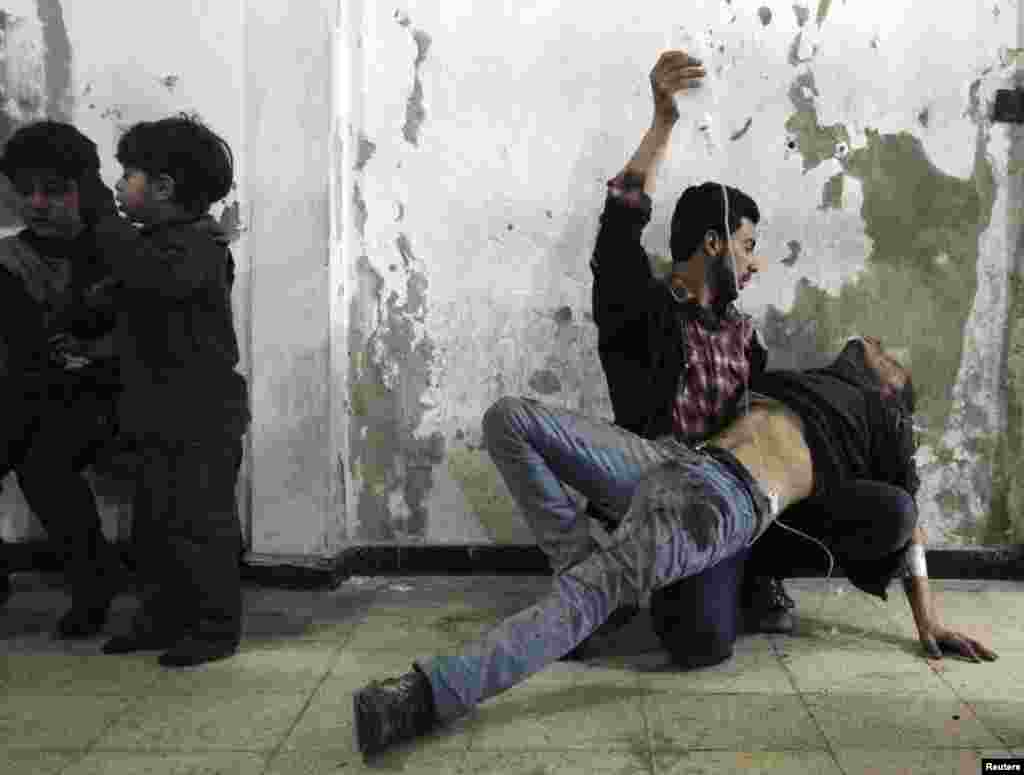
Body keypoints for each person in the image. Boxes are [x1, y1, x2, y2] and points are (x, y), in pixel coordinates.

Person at [351, 336, 997, 758]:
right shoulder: (803, 377)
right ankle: (585, 575)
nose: (877, 345)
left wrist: (929, 618)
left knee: (594, 593)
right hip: (671, 459)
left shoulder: (883, 424)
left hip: (723, 501)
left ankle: (429, 694)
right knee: (509, 420)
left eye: (889, 356)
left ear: (892, 392)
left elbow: (908, 522)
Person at [74, 114, 250, 667]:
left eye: (129, 174)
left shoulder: (196, 246)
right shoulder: (152, 245)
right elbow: (126, 303)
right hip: (152, 412)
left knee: (202, 526)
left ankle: (217, 627)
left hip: (201, 416)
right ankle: (162, 617)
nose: (121, 185)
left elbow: (155, 280)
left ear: (164, 187)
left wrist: (102, 215)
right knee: (152, 528)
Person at [0, 121, 123, 638]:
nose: (38, 203)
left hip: (112, 394)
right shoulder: (9, 259)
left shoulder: (121, 249)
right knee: (29, 436)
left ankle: (94, 581)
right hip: (36, 392)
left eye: (54, 190)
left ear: (85, 189)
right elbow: (24, 349)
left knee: (42, 460)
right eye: (25, 192)